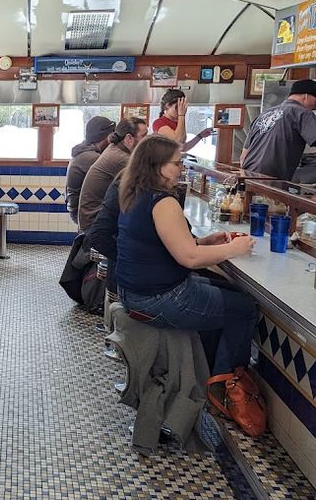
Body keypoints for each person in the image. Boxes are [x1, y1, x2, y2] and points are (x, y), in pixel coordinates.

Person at [116, 135, 257, 382]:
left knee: (229, 290)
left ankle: (209, 371)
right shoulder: (163, 202)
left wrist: (203, 242)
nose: (181, 168)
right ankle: (225, 386)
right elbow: (189, 259)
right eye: (177, 163)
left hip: (133, 293)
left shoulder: (135, 194)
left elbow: (160, 244)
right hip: (158, 299)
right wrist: (235, 248)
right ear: (157, 166)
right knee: (244, 309)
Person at [77, 117, 148, 231]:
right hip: (94, 225)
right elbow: (149, 180)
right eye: (144, 136)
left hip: (92, 219)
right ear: (129, 138)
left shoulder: (114, 148)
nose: (147, 141)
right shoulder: (120, 159)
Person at [240, 79, 316, 180]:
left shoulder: (264, 114)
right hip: (271, 179)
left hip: (247, 176)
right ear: (306, 96)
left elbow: (244, 155)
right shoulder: (302, 112)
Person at [65, 115, 115, 225]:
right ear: (107, 136)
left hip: (77, 209)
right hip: (84, 213)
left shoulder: (82, 151)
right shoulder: (91, 158)